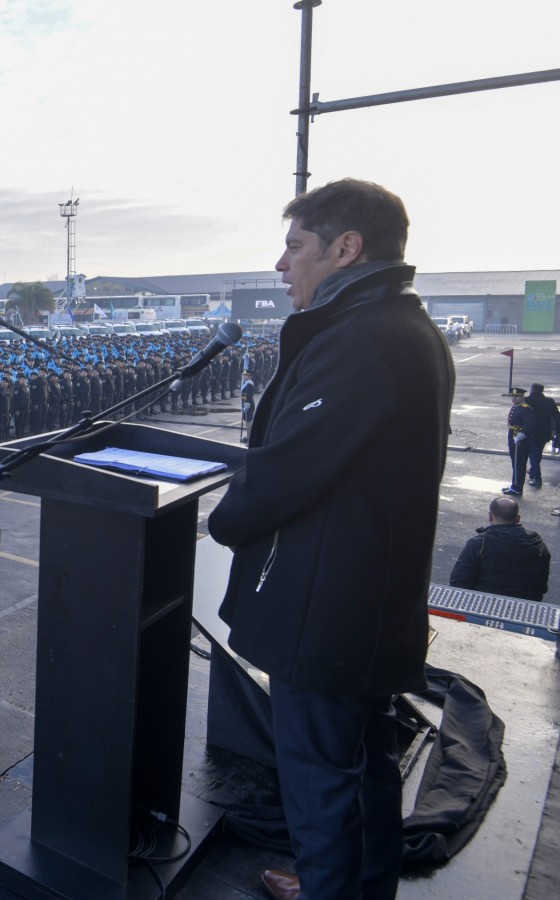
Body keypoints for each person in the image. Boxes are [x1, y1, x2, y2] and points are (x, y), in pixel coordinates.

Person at [207, 179, 453, 900]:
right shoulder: (403, 327)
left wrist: (226, 519)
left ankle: (330, 888)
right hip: (366, 594)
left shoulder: (361, 339)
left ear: (346, 249)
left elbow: (289, 469)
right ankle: (348, 882)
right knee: (364, 758)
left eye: (295, 247)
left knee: (319, 773)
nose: (282, 266)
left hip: (329, 601)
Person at [449, 497, 551, 602]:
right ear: (518, 518)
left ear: (490, 516)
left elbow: (459, 583)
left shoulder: (479, 544)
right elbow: (541, 586)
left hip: (482, 605)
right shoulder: (538, 545)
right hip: (525, 608)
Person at [525, 383, 558, 488]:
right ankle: (533, 471)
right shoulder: (549, 401)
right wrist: (557, 431)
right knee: (537, 452)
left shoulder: (527, 400)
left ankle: (537, 479)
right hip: (544, 432)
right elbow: (557, 417)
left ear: (532, 390)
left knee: (533, 455)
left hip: (531, 432)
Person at [504, 388, 536, 496]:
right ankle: (514, 485)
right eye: (513, 396)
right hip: (513, 437)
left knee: (519, 464)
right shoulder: (517, 406)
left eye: (516, 396)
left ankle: (517, 488)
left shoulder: (525, 409)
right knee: (515, 463)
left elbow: (531, 425)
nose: (514, 398)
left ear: (522, 397)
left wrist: (522, 435)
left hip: (521, 441)